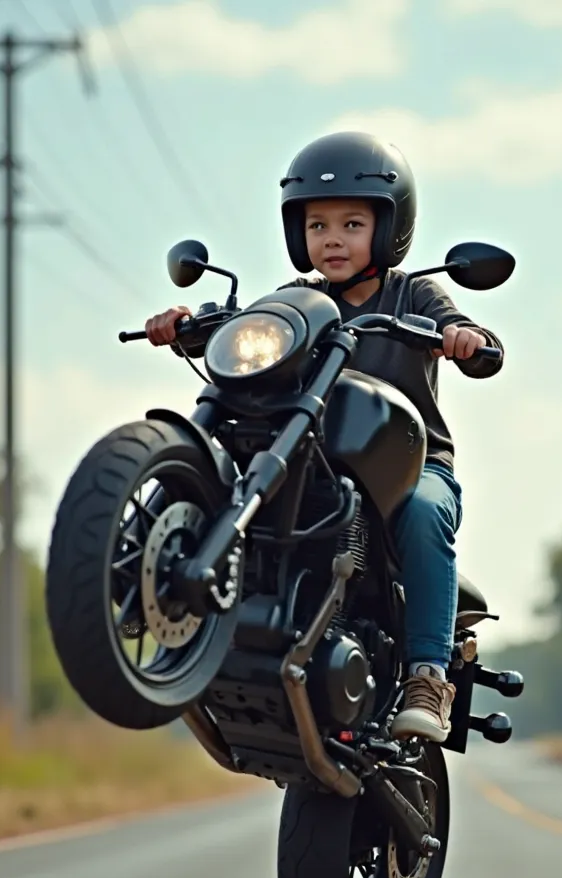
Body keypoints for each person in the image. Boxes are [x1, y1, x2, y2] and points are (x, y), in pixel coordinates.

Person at [144, 131, 504, 744]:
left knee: (423, 513)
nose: (332, 239)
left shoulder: (413, 292)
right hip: (310, 460)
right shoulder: (296, 301)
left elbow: (468, 331)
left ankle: (426, 675)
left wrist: (468, 340)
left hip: (410, 467)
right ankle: (147, 581)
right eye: (316, 226)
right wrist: (188, 324)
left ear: (389, 228)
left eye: (351, 223)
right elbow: (244, 327)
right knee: (228, 457)